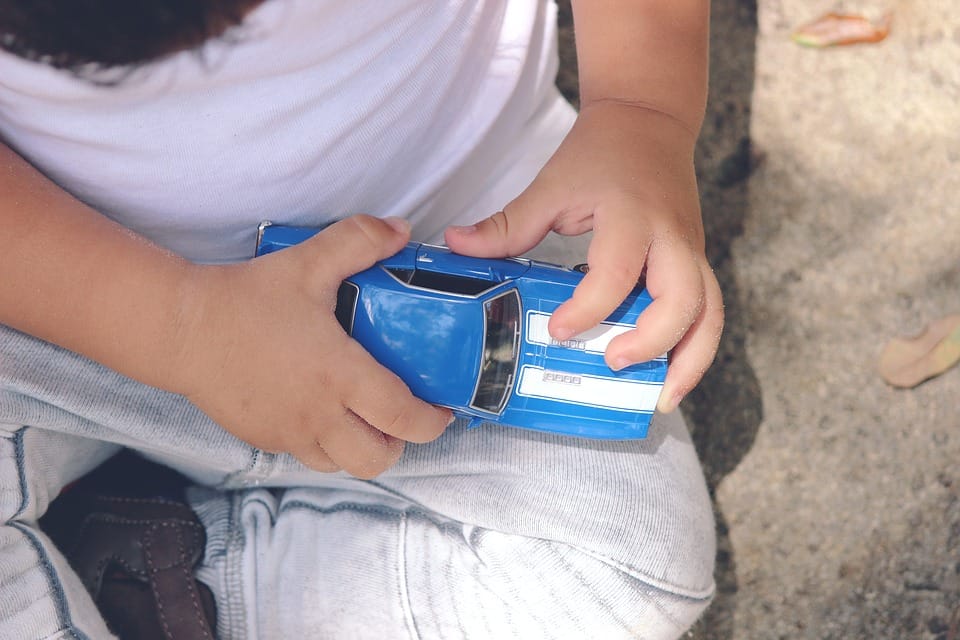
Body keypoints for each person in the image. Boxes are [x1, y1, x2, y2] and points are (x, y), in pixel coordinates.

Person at [0, 0, 724, 638]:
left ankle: (155, 576)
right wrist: (180, 326)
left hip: (475, 235)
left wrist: (640, 113)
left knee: (628, 566)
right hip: (77, 312)